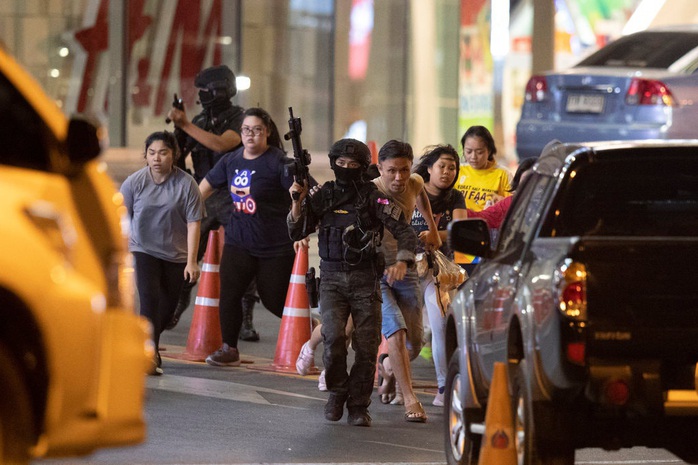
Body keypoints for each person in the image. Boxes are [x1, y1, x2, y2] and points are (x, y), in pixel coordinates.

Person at [288, 138, 418, 427]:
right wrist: (297, 202)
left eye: (354, 165)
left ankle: (359, 405)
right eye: (341, 164)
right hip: (332, 279)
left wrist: (402, 261)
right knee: (333, 338)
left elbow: (404, 231)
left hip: (365, 279)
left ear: (363, 167)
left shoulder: (375, 197)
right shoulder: (324, 195)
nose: (346, 169)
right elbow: (297, 230)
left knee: (367, 346)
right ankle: (337, 393)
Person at [200, 107, 300, 367]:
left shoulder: (278, 162)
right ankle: (229, 349)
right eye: (246, 130)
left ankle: (313, 329)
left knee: (274, 300)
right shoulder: (231, 161)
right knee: (230, 294)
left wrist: (300, 205)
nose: (250, 135)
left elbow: (300, 194)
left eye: (257, 130)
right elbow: (203, 190)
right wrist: (184, 212)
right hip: (239, 241)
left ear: (267, 132)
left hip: (275, 246)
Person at [166, 64, 260, 341]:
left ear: (220, 91)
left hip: (234, 195)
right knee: (188, 251)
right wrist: (178, 134)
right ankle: (177, 305)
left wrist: (186, 125)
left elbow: (222, 144)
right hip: (204, 192)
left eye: (206, 91)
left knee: (243, 252)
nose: (202, 95)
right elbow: (180, 155)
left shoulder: (239, 119)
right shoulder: (201, 121)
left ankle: (245, 318)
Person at [120, 131, 205, 375]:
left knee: (167, 311)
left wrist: (191, 261)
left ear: (174, 155)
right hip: (143, 249)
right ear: (146, 156)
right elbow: (122, 218)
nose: (157, 158)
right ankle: (149, 354)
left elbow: (194, 223)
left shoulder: (186, 184)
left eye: (163, 152)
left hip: (175, 254)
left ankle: (148, 347)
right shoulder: (134, 182)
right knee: (149, 300)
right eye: (152, 153)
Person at [372, 139, 441, 423]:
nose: (398, 177)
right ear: (380, 168)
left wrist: (433, 230)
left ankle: (387, 367)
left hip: (408, 268)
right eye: (391, 171)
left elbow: (421, 195)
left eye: (403, 169)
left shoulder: (413, 182)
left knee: (415, 342)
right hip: (377, 272)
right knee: (396, 333)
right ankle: (411, 398)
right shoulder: (371, 191)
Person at [411, 144, 467, 406]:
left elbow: (460, 230)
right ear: (429, 168)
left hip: (439, 272)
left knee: (441, 326)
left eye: (452, 167)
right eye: (441, 166)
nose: (447, 172)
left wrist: (434, 236)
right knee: (408, 334)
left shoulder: (455, 198)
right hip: (407, 268)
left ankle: (443, 386)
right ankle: (388, 369)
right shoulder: (411, 190)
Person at [454, 125, 511, 273]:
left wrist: (500, 200)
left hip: (487, 237)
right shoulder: (457, 172)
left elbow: (513, 207)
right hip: (460, 234)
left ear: (490, 150)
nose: (473, 157)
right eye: (468, 151)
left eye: (479, 152)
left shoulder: (502, 174)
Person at [467, 157, 536, 230]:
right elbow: (482, 218)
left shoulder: (548, 203)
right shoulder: (511, 203)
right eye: (525, 181)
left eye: (535, 181)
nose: (529, 186)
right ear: (518, 183)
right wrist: (457, 208)